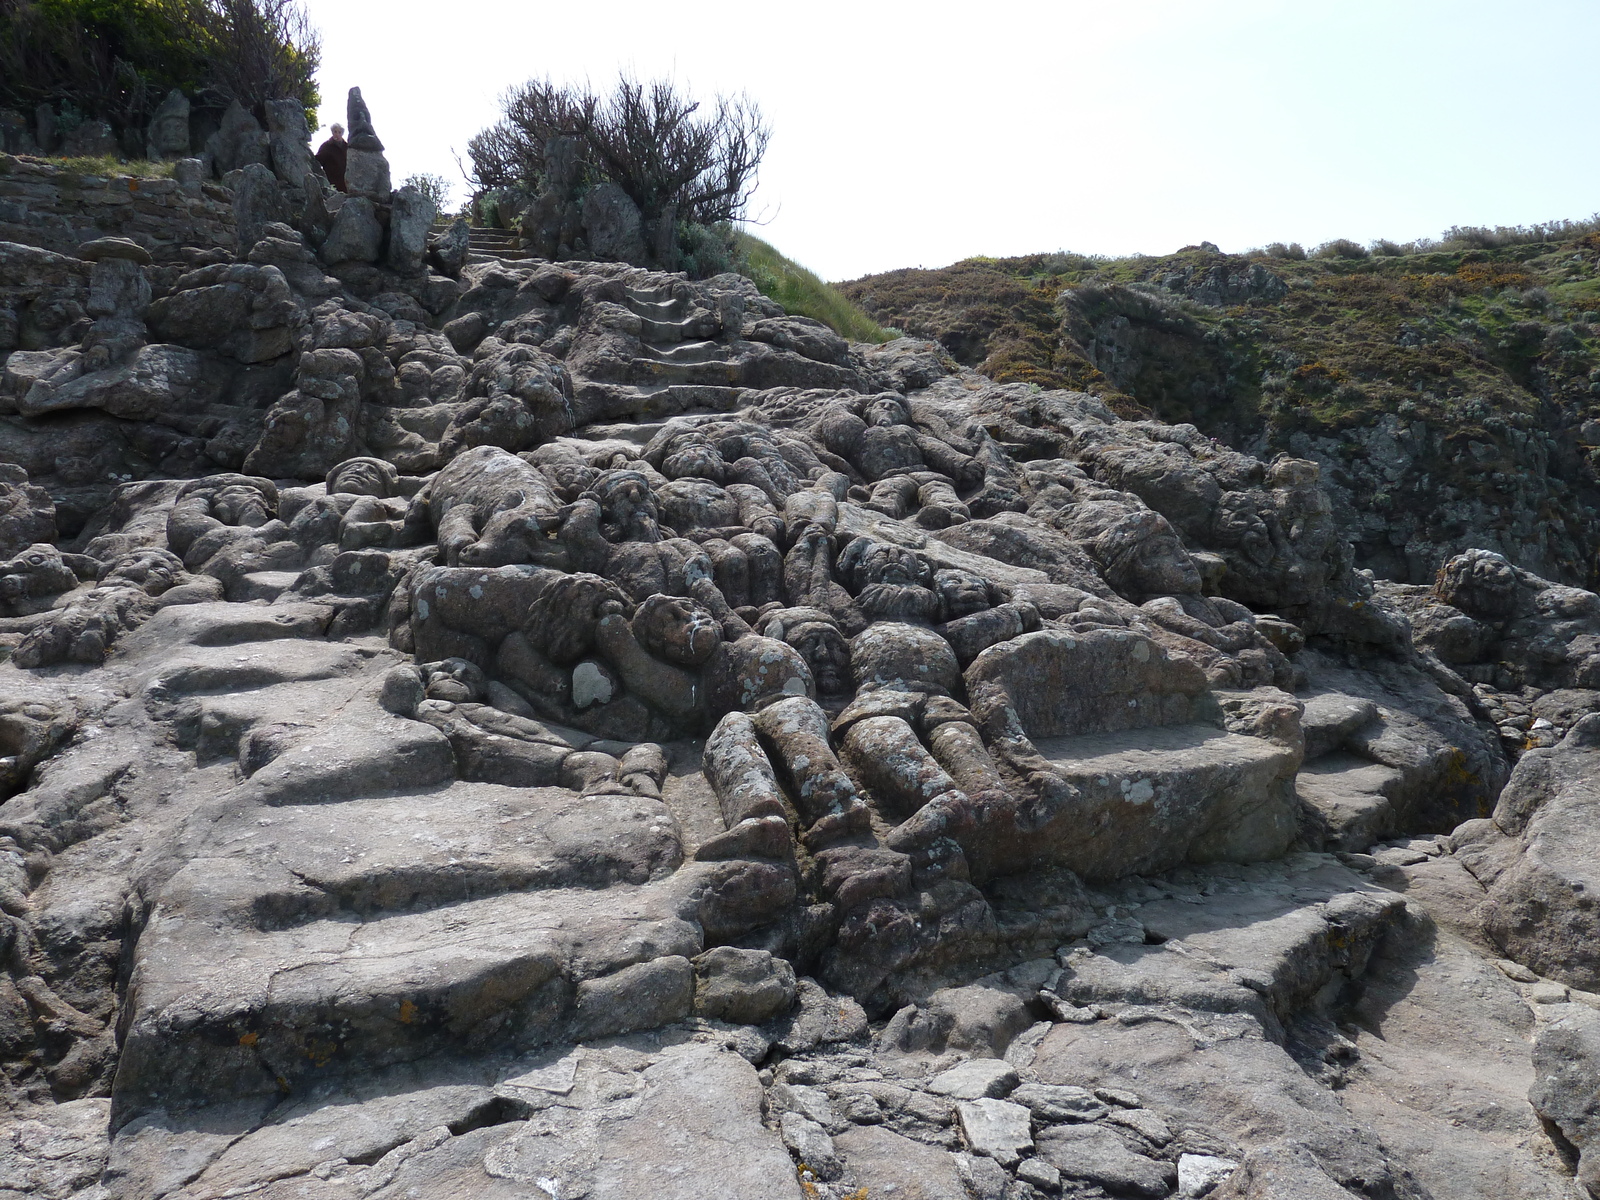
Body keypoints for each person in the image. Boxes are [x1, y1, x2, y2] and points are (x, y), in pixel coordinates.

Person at [315, 123, 347, 193]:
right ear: (332, 132)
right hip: (332, 180)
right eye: (335, 132)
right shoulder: (326, 146)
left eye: (339, 132)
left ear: (342, 133)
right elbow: (317, 161)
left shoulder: (347, 147)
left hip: (346, 180)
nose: (337, 134)